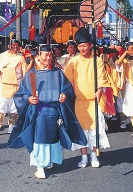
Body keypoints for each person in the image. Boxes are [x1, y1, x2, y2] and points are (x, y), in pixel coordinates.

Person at [8, 44, 87, 179]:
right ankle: (40, 166)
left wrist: (64, 95)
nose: (49, 57)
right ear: (38, 56)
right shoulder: (31, 74)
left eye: (50, 54)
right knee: (40, 138)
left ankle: (49, 160)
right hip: (39, 112)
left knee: (53, 137)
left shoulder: (57, 73)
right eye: (46, 55)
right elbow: (21, 93)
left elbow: (67, 88)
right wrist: (28, 99)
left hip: (54, 111)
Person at [64, 27, 110, 168]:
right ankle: (84, 156)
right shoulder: (73, 62)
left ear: (90, 45)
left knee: (95, 129)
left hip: (93, 101)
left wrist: (99, 90)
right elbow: (66, 81)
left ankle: (94, 155)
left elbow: (102, 78)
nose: (82, 48)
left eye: (85, 45)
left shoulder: (97, 61)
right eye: (80, 46)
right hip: (78, 101)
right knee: (81, 130)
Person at [0, 39, 33, 135]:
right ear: (9, 46)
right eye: (13, 45)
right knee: (0, 106)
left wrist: (31, 60)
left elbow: (25, 71)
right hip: (3, 85)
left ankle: (11, 127)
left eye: (17, 45)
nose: (15, 47)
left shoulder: (21, 57)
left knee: (14, 108)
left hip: (16, 86)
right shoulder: (2, 55)